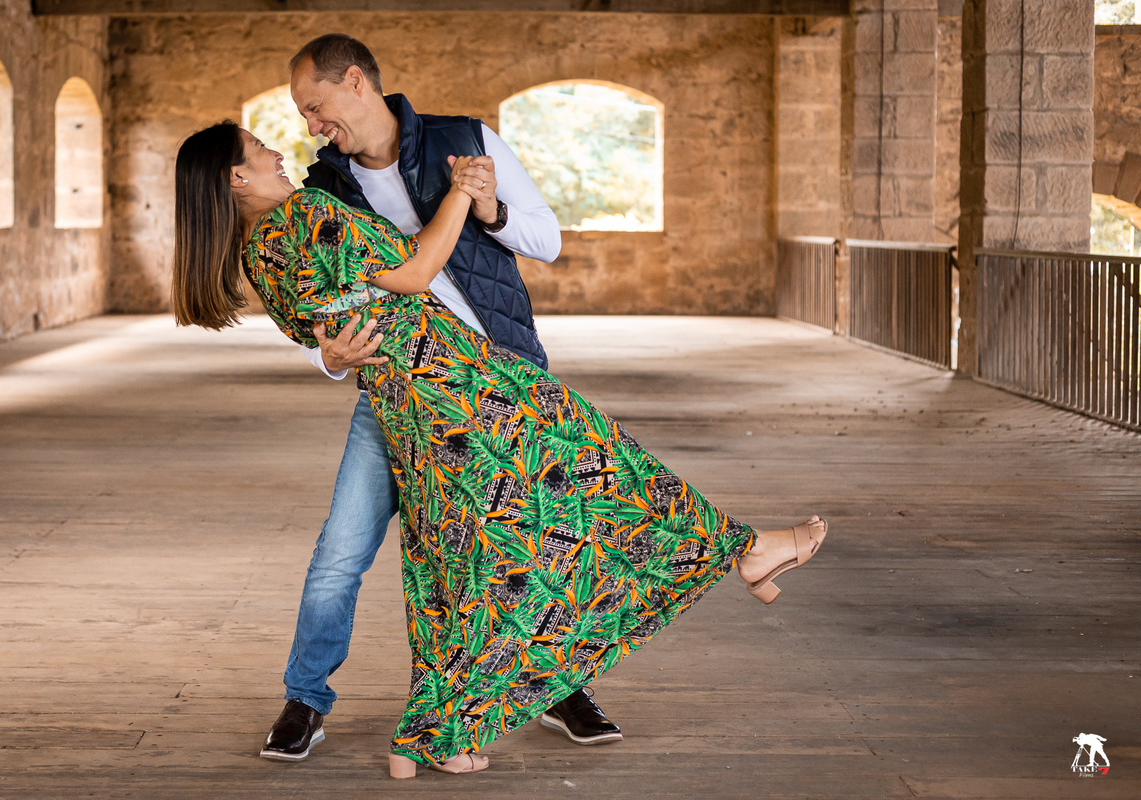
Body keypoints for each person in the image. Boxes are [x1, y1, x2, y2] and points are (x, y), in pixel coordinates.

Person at [171, 119, 829, 777]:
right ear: (236, 175)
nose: (280, 150)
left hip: (408, 408)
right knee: (606, 471)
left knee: (447, 567)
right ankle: (746, 550)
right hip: (465, 386)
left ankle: (430, 737)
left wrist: (335, 351)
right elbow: (419, 267)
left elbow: (327, 327)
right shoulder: (311, 209)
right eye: (260, 149)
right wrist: (459, 191)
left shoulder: (258, 255)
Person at [258, 33, 623, 761]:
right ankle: (305, 701)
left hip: (500, 380)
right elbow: (320, 302)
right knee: (343, 550)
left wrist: (489, 212)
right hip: (396, 397)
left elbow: (545, 239)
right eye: (303, 116)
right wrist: (329, 359)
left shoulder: (466, 140)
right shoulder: (322, 189)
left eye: (315, 106)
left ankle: (558, 687)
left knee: (535, 541)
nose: (311, 126)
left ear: (355, 82)